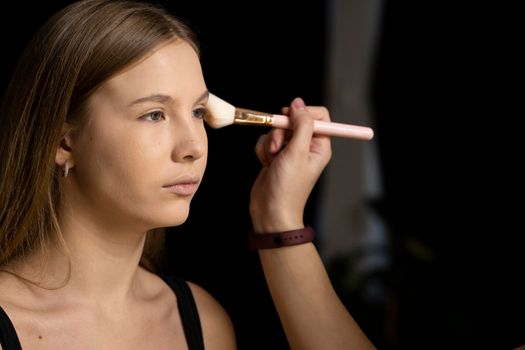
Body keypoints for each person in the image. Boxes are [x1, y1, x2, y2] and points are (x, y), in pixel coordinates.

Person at [0, 0, 375, 349]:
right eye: (154, 114)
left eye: (197, 112)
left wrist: (279, 216)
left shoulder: (201, 321)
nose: (193, 146)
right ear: (63, 143)